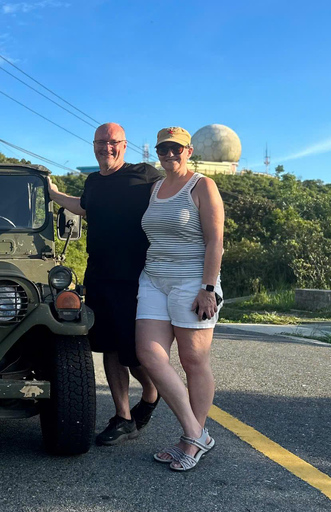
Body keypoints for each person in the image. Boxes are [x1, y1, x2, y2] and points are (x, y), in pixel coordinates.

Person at [48, 122, 162, 445]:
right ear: (94, 145)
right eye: (101, 142)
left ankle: (152, 394)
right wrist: (54, 194)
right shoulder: (93, 182)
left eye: (112, 142)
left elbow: (171, 198)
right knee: (108, 348)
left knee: (134, 352)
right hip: (98, 277)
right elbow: (82, 207)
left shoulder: (144, 175)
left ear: (124, 145)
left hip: (136, 279)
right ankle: (123, 416)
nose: (106, 147)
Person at [135, 126, 225, 471]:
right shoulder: (156, 187)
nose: (169, 155)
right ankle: (195, 432)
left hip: (193, 282)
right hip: (154, 279)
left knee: (192, 360)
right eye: (163, 150)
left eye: (176, 149)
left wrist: (208, 288)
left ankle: (191, 439)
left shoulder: (202, 185)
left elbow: (215, 241)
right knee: (149, 354)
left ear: (189, 151)